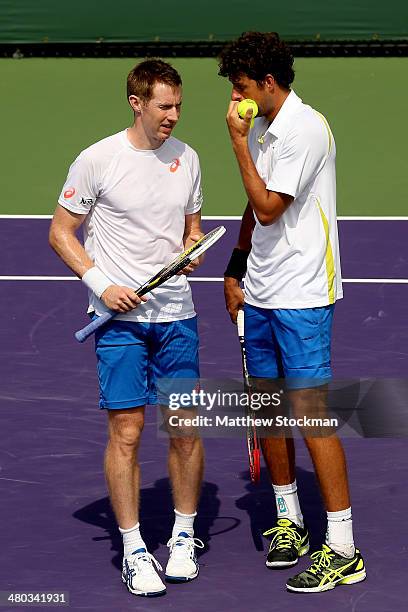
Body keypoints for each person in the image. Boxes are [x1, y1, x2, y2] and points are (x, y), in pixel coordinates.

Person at [49, 59, 205, 598]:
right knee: (128, 433)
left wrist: (190, 251)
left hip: (177, 317)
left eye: (179, 106)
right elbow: (62, 233)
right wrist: (101, 282)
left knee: (184, 431)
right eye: (165, 106)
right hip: (117, 322)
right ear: (136, 102)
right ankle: (135, 547)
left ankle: (184, 536)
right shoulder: (97, 160)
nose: (173, 116)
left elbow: (191, 228)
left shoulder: (188, 159)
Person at [219, 32, 366, 593]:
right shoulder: (265, 127)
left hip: (302, 295)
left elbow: (269, 207)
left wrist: (235, 142)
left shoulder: (303, 129)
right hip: (261, 290)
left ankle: (345, 549)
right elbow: (251, 209)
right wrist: (236, 265)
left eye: (241, 89)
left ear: (268, 84)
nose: (236, 100)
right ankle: (289, 520)